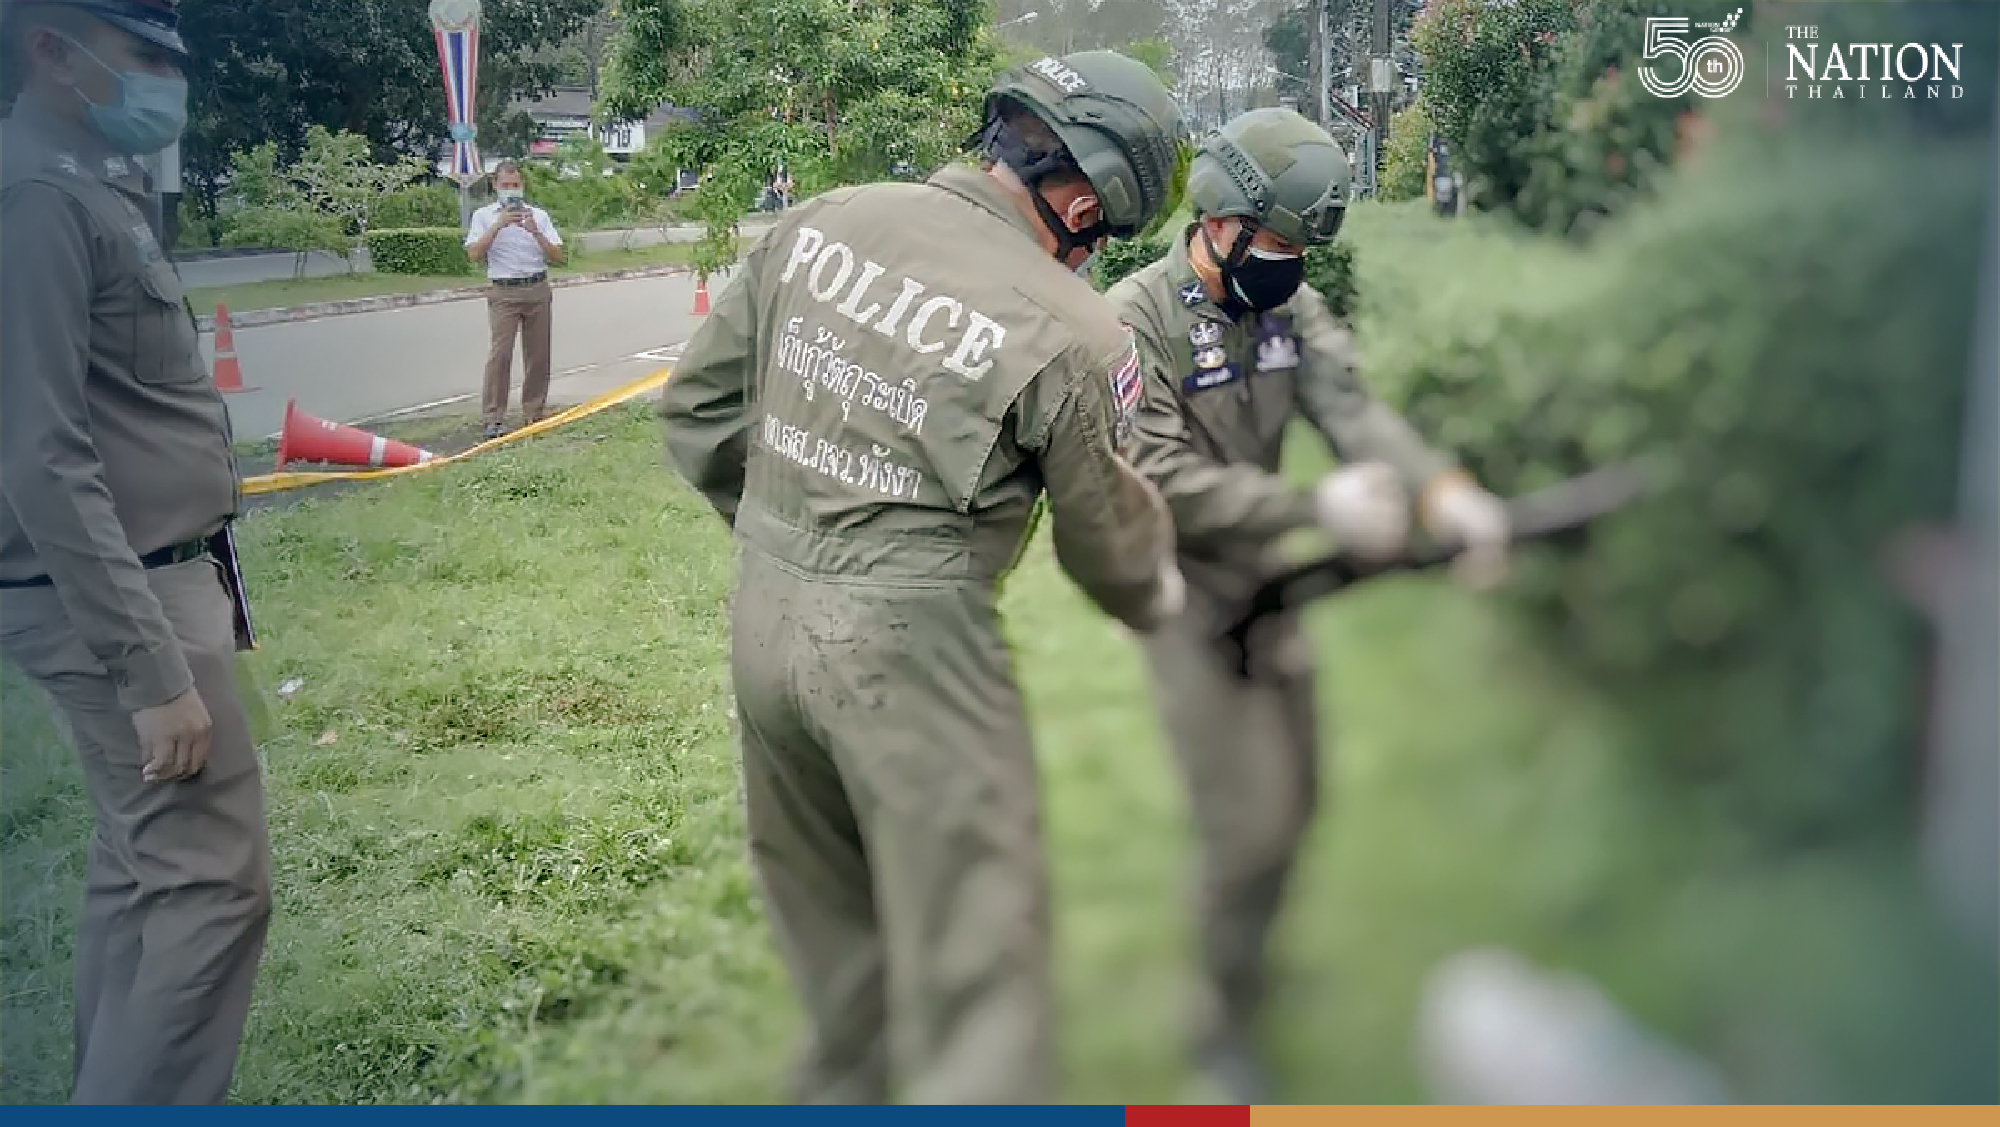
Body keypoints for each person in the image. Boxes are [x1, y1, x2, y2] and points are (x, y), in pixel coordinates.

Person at [659, 50, 1190, 1103]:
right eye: (1104, 233)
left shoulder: (823, 217)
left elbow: (698, 412)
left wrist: (796, 533)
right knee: (976, 979)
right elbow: (1100, 533)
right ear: (1084, 201)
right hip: (914, 653)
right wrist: (1155, 593)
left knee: (845, 967)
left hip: (764, 625)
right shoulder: (1076, 327)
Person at [1105, 106, 1513, 1102]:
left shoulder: (1285, 309)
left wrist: (1442, 493)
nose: (1288, 263)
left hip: (1268, 587)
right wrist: (1307, 503)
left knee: (1301, 799)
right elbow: (1154, 474)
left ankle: (1251, 957)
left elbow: (1351, 406)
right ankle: (1218, 1022)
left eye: (1300, 248)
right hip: (1181, 598)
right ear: (1217, 216)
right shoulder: (1133, 320)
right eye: (1276, 241)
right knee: (1243, 823)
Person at [0, 0, 272, 1103]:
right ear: (53, 51)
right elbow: (39, 455)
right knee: (210, 887)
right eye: (143, 56)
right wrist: (150, 668)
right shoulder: (34, 200)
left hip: (159, 577)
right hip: (127, 604)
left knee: (143, 872)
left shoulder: (78, 183)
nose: (168, 80)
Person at [464, 158, 565, 439]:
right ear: (495, 186)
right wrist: (498, 225)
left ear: (522, 185)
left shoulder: (539, 216)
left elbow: (558, 256)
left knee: (538, 354)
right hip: (503, 291)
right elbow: (473, 254)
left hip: (536, 287)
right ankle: (493, 417)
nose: (511, 190)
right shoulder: (483, 216)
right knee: (500, 354)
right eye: (505, 185)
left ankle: (534, 413)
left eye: (516, 185)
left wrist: (536, 232)